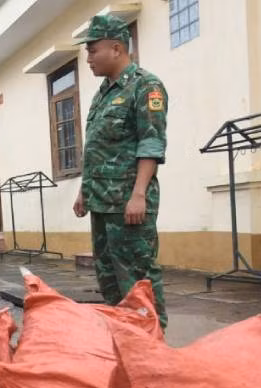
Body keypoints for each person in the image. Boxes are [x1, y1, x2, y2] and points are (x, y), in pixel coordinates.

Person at [73, 15, 169, 328]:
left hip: (128, 203)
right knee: (109, 279)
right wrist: (84, 191)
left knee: (138, 278)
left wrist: (139, 194)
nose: (88, 58)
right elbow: (98, 148)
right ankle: (126, 340)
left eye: (92, 51)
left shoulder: (146, 86)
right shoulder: (103, 93)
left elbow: (151, 143)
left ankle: (153, 345)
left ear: (116, 48)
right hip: (101, 203)